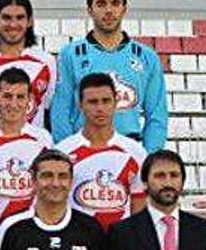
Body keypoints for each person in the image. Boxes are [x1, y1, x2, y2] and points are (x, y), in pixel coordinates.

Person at [52, 0, 168, 152]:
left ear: (124, 9)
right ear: (89, 9)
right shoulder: (70, 55)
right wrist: (68, 154)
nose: (108, 10)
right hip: (83, 150)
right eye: (101, 4)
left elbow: (157, 115)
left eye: (115, 3)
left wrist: (148, 158)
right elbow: (60, 111)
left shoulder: (147, 57)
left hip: (130, 150)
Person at [56, 73, 147, 231]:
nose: (100, 108)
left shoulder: (135, 152)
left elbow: (138, 204)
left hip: (119, 244)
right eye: (92, 102)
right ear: (80, 105)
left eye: (106, 101)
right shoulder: (62, 152)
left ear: (115, 103)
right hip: (78, 243)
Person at [0, 68, 55, 225]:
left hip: (31, 230)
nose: (13, 104)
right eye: (7, 96)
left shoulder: (43, 139)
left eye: (20, 97)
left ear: (29, 100)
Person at [0, 0, 56, 128]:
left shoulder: (46, 62)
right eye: (6, 18)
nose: (13, 24)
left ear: (29, 21)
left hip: (34, 146)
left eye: (20, 18)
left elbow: (48, 108)